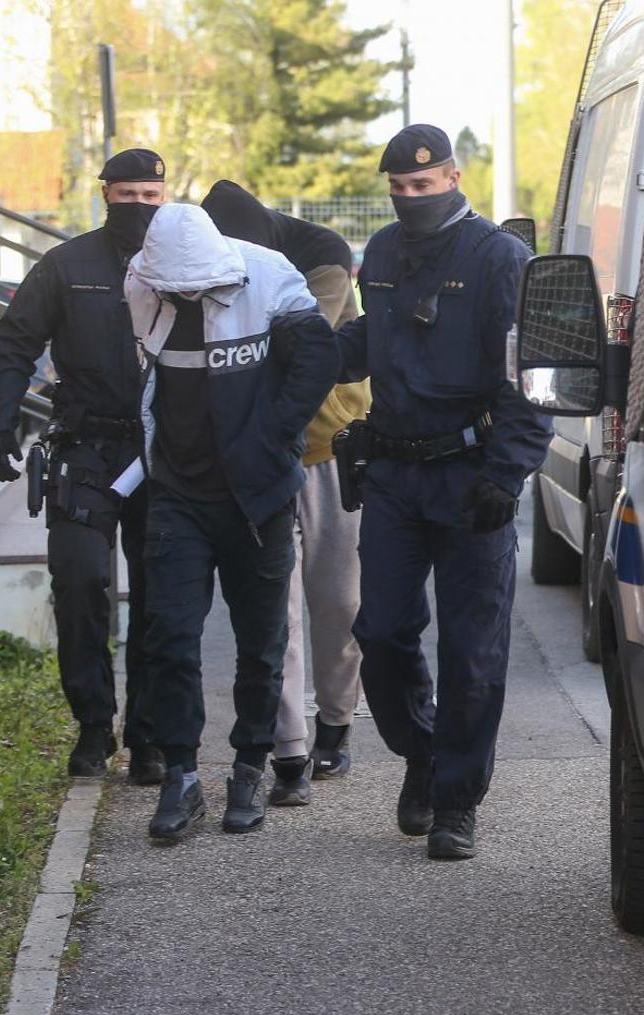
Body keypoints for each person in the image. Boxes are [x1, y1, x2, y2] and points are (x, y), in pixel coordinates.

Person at [335, 124, 551, 861]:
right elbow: (379, 339)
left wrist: (507, 472)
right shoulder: (383, 253)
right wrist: (306, 346)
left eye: (422, 185)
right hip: (394, 473)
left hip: (470, 475)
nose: (410, 197)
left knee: (472, 650)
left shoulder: (499, 258)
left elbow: (529, 374)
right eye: (399, 187)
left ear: (454, 180)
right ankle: (423, 752)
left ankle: (456, 802)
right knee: (382, 634)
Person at [125, 203, 340, 842]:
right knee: (169, 637)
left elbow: (318, 362)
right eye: (176, 289)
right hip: (177, 493)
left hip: (257, 497)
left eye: (197, 287)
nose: (187, 295)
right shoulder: (142, 281)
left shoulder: (269, 276)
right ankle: (181, 775)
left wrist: (272, 438)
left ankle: (250, 767)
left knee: (261, 642)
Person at [0, 148, 167, 782]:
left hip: (162, 452)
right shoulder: (66, 265)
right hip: (85, 449)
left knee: (160, 595)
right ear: (105, 193)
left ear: (164, 198)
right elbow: (15, 342)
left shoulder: (183, 264)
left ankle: (148, 735)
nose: (139, 207)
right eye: (128, 195)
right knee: (81, 582)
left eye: (151, 197)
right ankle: (93, 724)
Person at [202, 180, 369, 807]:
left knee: (339, 601)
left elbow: (305, 350)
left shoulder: (324, 256)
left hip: (328, 451)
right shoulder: (209, 265)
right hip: (260, 460)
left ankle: (337, 719)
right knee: (277, 611)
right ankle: (290, 749)